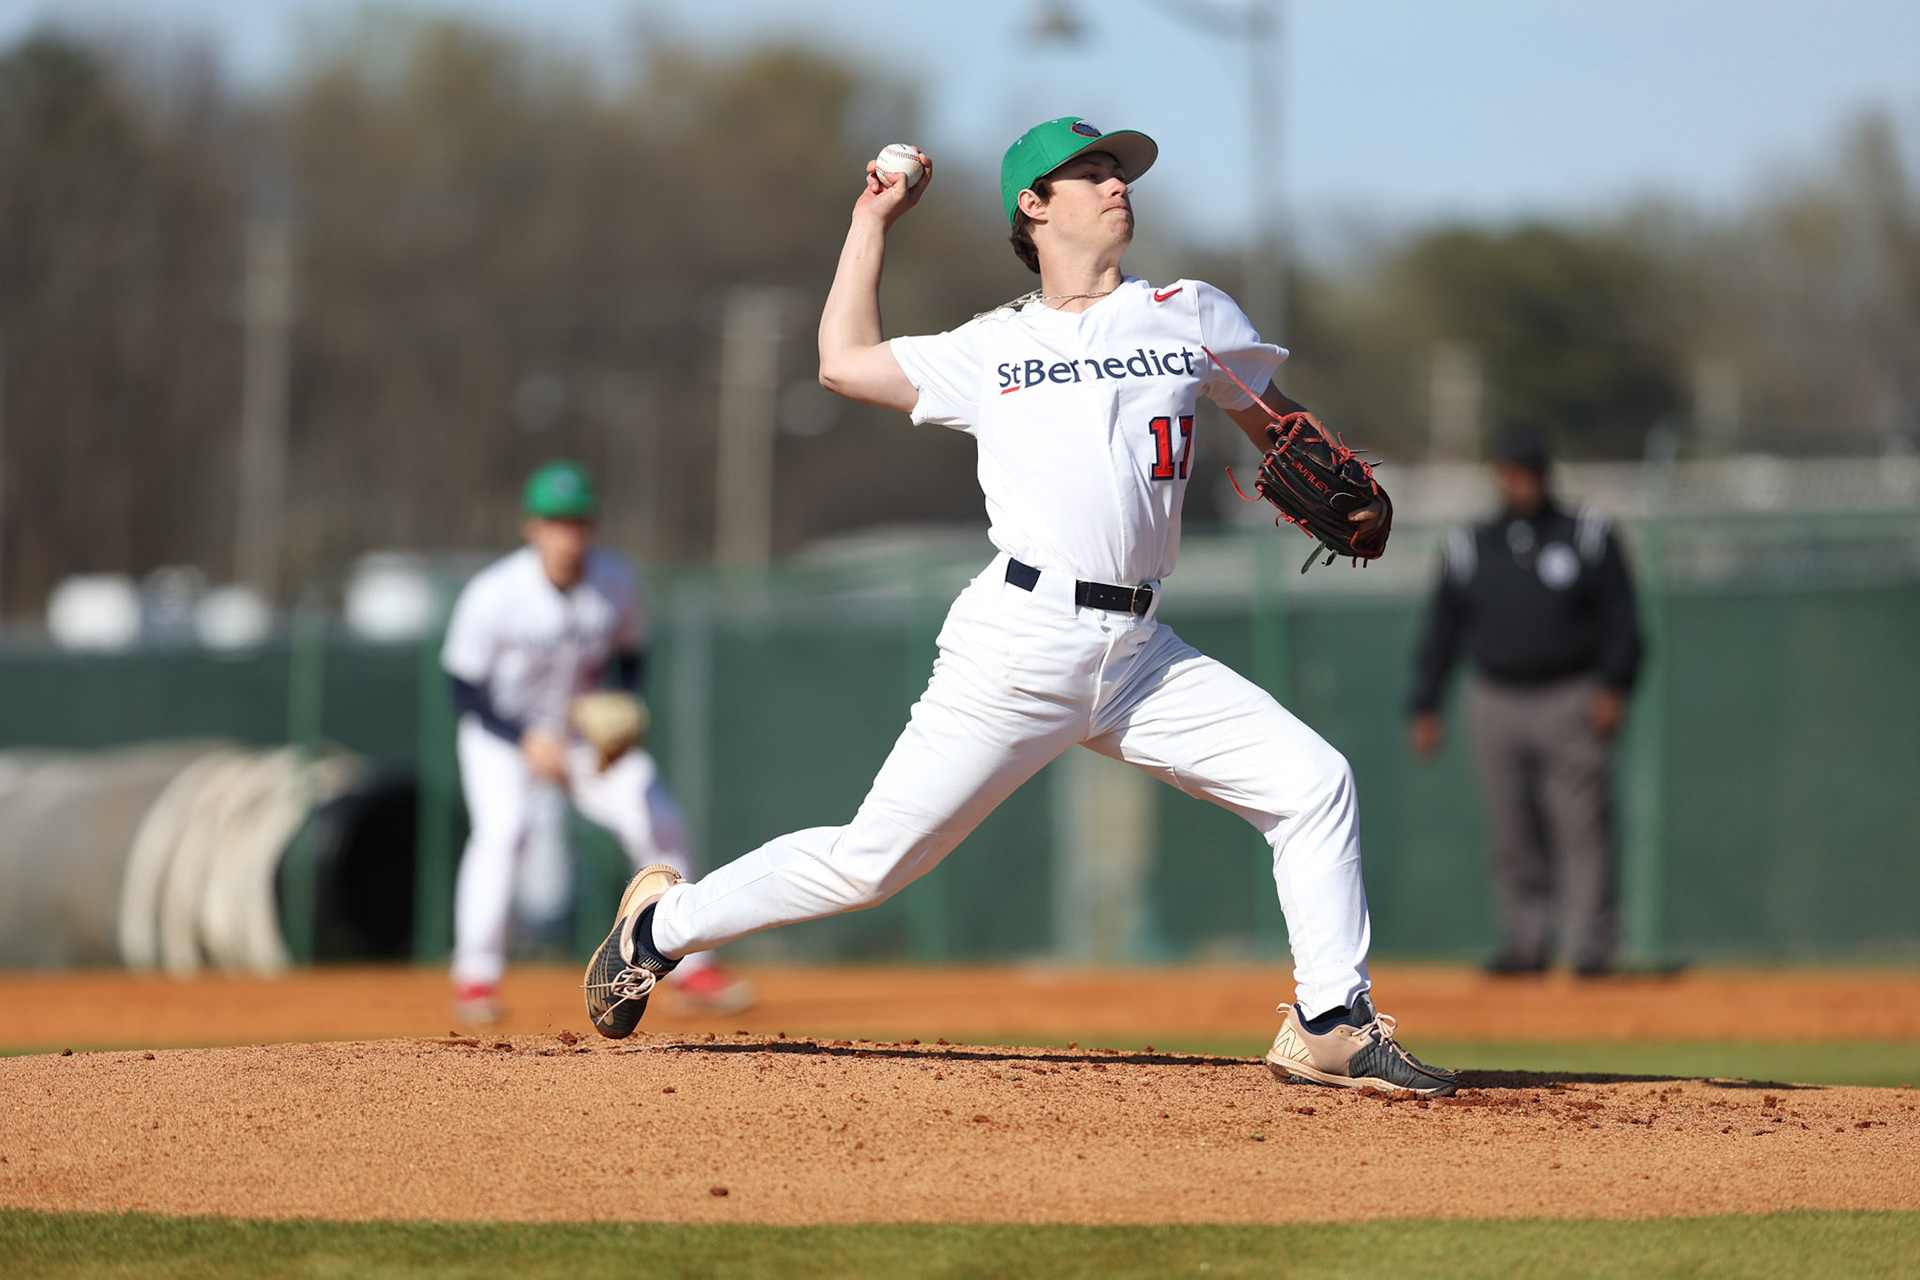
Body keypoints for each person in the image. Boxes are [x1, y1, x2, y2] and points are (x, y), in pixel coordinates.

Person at [584, 117, 1456, 1096]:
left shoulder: (1189, 313)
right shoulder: (991, 347)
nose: (1115, 183)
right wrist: (873, 217)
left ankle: (1330, 1019)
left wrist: (1321, 462)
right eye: (1088, 172)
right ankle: (659, 928)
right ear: (1033, 208)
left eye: (1117, 170)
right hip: (1020, 639)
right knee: (870, 865)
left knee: (1313, 781)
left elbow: (1278, 423)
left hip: (1140, 651)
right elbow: (842, 359)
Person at [440, 460, 753, 1024]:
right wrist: (522, 739)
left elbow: (631, 654)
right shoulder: (495, 592)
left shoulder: (615, 580)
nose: (569, 532)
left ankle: (694, 962)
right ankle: (476, 979)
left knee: (657, 817)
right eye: (557, 520)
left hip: (582, 737)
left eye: (579, 520)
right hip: (501, 735)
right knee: (504, 831)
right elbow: (462, 687)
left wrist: (622, 706)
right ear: (531, 526)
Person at [1408, 427, 1643, 976]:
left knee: (1580, 825)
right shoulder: (1471, 544)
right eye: (1509, 470)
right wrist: (1426, 702)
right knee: (1511, 827)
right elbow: (1442, 629)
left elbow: (1622, 619)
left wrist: (1615, 685)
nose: (1519, 481)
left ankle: (1589, 949)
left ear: (1545, 473)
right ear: (1497, 474)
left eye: (1529, 470)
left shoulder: (1586, 533)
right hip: (1496, 697)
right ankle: (1526, 943)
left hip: (1571, 695)